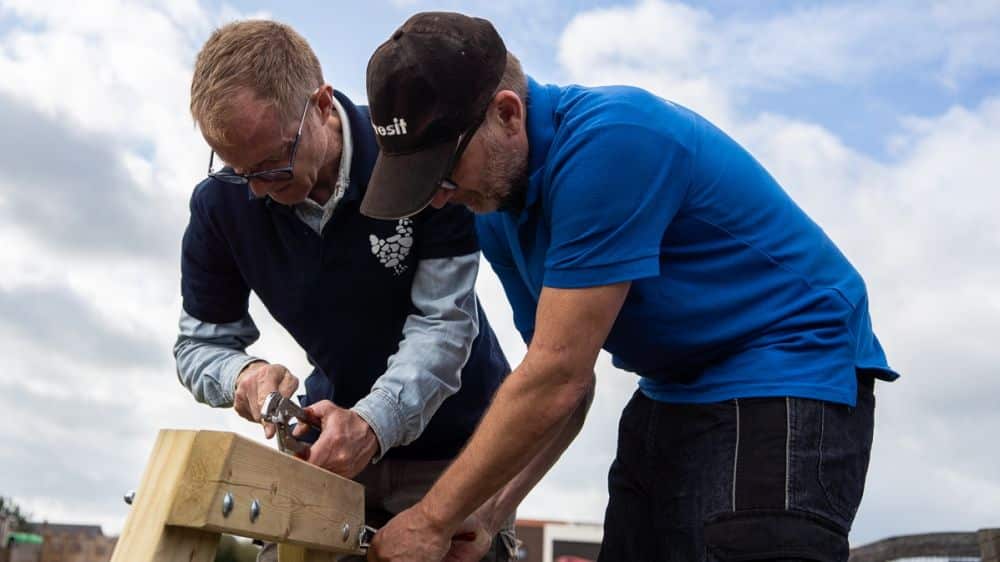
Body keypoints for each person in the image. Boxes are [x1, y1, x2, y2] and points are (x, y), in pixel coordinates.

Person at [359, 12, 900, 562]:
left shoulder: (612, 141)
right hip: (672, 387)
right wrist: (487, 512)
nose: (440, 197)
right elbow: (560, 388)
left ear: (507, 114)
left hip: (785, 368)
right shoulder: (494, 209)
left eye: (445, 169)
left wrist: (430, 520)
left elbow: (556, 375)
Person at [173, 20, 516, 562]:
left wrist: (373, 423)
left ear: (321, 104)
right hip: (334, 448)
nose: (257, 190)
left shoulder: (416, 156)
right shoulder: (220, 203)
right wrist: (243, 375)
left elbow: (444, 326)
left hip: (455, 449)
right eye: (239, 170)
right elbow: (198, 345)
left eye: (272, 164)